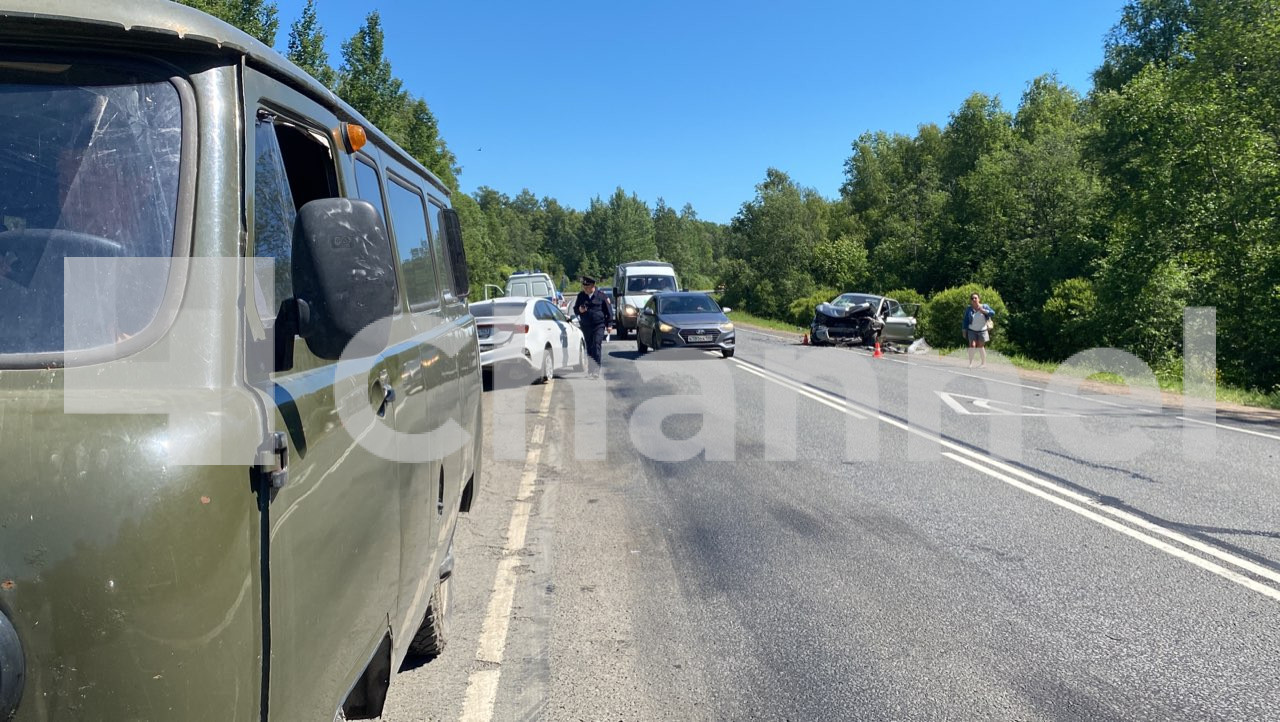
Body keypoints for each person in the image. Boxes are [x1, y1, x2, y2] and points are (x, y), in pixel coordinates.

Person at [574, 275, 613, 378]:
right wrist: (579, 310)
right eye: (584, 287)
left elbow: (608, 311)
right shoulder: (581, 296)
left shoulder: (601, 296)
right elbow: (575, 309)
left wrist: (609, 325)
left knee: (596, 345)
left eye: (587, 287)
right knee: (590, 348)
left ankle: (596, 370)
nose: (585, 289)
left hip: (598, 325)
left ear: (593, 286)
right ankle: (591, 370)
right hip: (586, 326)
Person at [962, 293, 996, 368]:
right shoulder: (969, 309)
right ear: (971, 300)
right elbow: (965, 320)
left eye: (975, 298)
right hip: (972, 330)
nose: (974, 300)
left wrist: (983, 311)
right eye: (972, 298)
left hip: (982, 330)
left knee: (981, 347)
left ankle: (983, 364)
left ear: (979, 299)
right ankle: (970, 363)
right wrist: (964, 330)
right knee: (972, 345)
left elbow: (993, 313)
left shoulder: (984, 306)